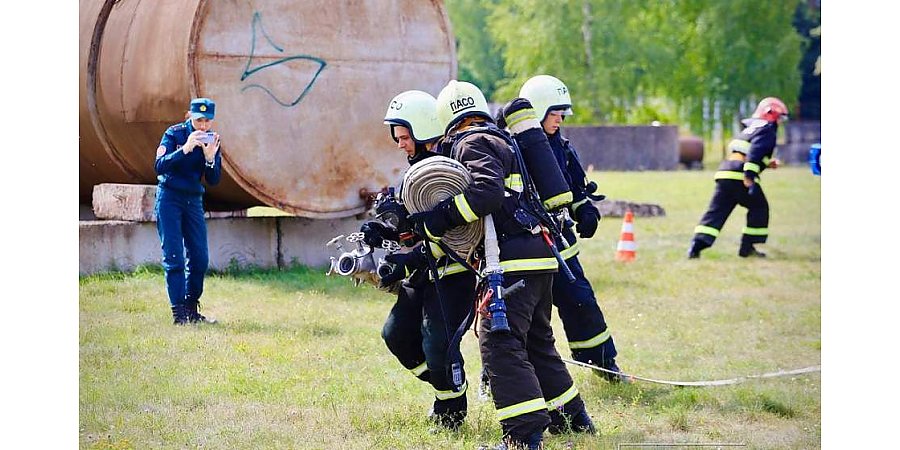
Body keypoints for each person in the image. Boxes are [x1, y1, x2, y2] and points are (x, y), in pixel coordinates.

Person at [412, 80, 594, 449]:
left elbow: (486, 193)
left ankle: (523, 437)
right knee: (537, 345)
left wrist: (439, 218)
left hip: (509, 263)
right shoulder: (503, 139)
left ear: (446, 118)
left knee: (501, 345)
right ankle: (573, 420)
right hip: (538, 258)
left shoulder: (472, 142)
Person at [361, 90, 476, 431]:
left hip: (454, 276)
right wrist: (383, 230)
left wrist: (409, 259)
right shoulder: (413, 174)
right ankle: (448, 385)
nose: (400, 144)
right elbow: (411, 230)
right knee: (396, 336)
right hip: (423, 276)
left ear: (425, 131)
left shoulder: (450, 173)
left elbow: (457, 236)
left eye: (405, 137)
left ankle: (451, 411)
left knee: (438, 346)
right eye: (397, 137)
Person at [513, 74, 626, 383]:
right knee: (517, 316)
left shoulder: (561, 146)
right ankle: (496, 375)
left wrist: (585, 210)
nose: (560, 119)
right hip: (526, 247)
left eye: (563, 113)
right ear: (537, 110)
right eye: (555, 112)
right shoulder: (512, 149)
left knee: (581, 302)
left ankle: (604, 363)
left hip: (562, 243)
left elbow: (574, 188)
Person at [687, 97, 788, 259]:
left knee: (717, 211)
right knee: (759, 207)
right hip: (740, 175)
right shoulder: (767, 129)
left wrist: (767, 163)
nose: (780, 122)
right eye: (780, 118)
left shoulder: (751, 128)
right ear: (771, 115)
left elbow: (743, 152)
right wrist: (749, 176)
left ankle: (696, 246)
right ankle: (748, 248)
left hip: (726, 171)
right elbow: (755, 152)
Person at [154, 98, 222, 325]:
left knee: (200, 258)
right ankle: (179, 313)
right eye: (199, 120)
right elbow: (159, 165)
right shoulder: (174, 134)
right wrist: (185, 149)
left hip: (193, 200)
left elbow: (214, 180)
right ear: (190, 116)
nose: (203, 126)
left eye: (207, 121)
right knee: (174, 257)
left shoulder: (212, 140)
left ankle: (192, 308)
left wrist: (210, 159)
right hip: (169, 198)